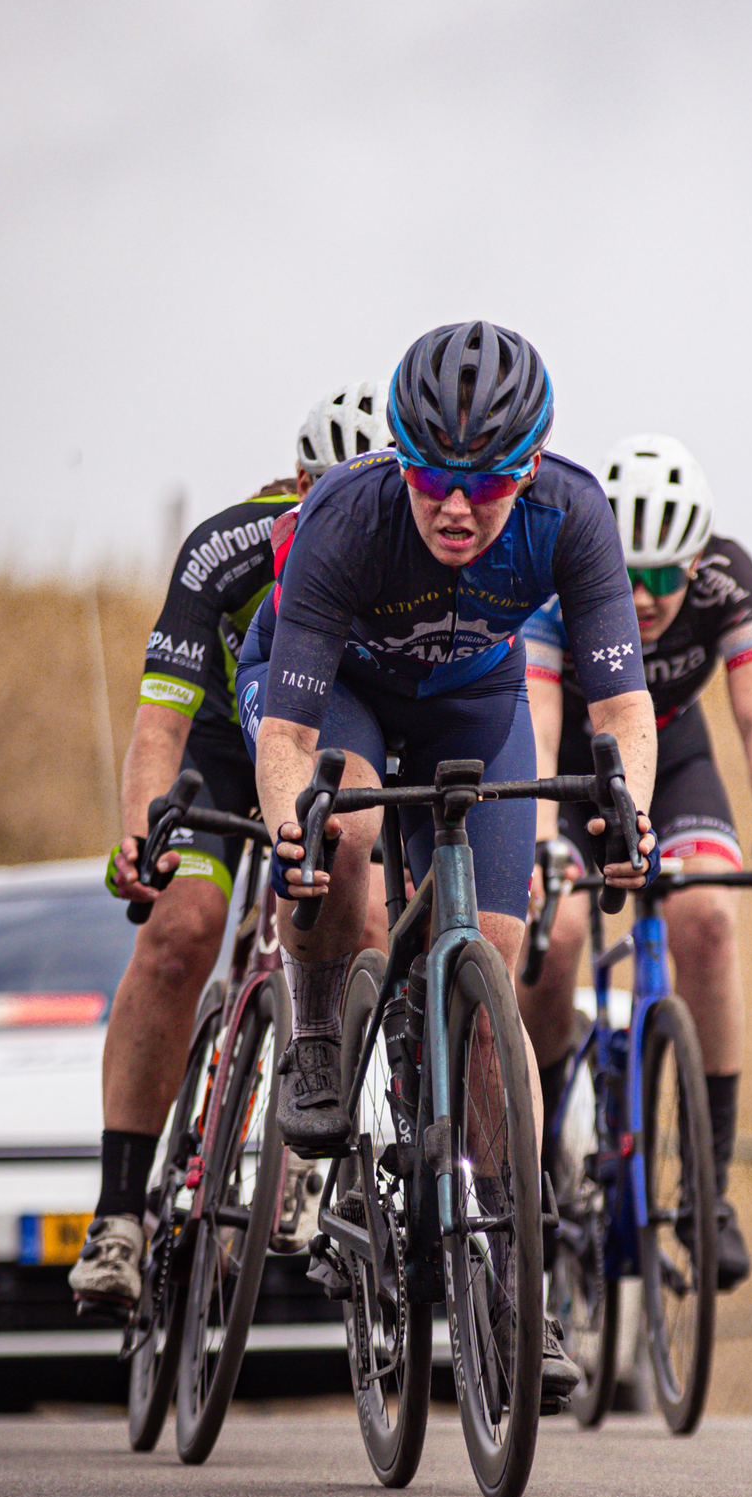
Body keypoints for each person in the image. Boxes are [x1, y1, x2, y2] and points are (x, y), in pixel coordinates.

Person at [233, 318, 660, 1399]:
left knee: (497, 970)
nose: (458, 507)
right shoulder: (346, 517)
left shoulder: (571, 512)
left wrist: (631, 815)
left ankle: (512, 1292)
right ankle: (321, 1023)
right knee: (351, 817)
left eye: (489, 483)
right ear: (399, 460)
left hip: (475, 702)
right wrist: (294, 827)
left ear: (529, 468)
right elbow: (285, 744)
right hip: (348, 696)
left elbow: (621, 710)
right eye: (432, 479)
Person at [70, 378, 390, 1315]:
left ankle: (325, 1144)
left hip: (331, 738)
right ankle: (120, 1213)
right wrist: (140, 836)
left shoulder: (412, 559)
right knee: (183, 928)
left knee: (364, 915)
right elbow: (158, 728)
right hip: (219, 739)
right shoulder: (226, 548)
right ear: (296, 484)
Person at [516, 433, 752, 1290]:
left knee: (711, 920)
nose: (644, 599)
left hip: (677, 758)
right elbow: (536, 727)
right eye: (629, 576)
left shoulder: (729, 577)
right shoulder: (558, 573)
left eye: (663, 578)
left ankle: (706, 1193)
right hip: (569, 768)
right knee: (562, 925)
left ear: (698, 559)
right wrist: (542, 845)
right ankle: (531, 1167)